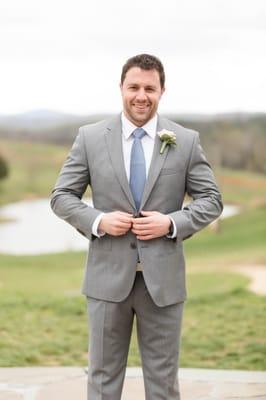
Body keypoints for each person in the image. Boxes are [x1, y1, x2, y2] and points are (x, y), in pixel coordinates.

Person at [50, 53, 223, 400]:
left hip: (163, 284)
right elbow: (61, 196)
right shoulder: (91, 137)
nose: (141, 95)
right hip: (105, 280)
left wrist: (172, 223)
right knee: (101, 380)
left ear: (162, 91)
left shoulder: (185, 140)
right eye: (134, 87)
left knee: (163, 383)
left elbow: (212, 200)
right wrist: (98, 220)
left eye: (150, 88)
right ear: (121, 88)